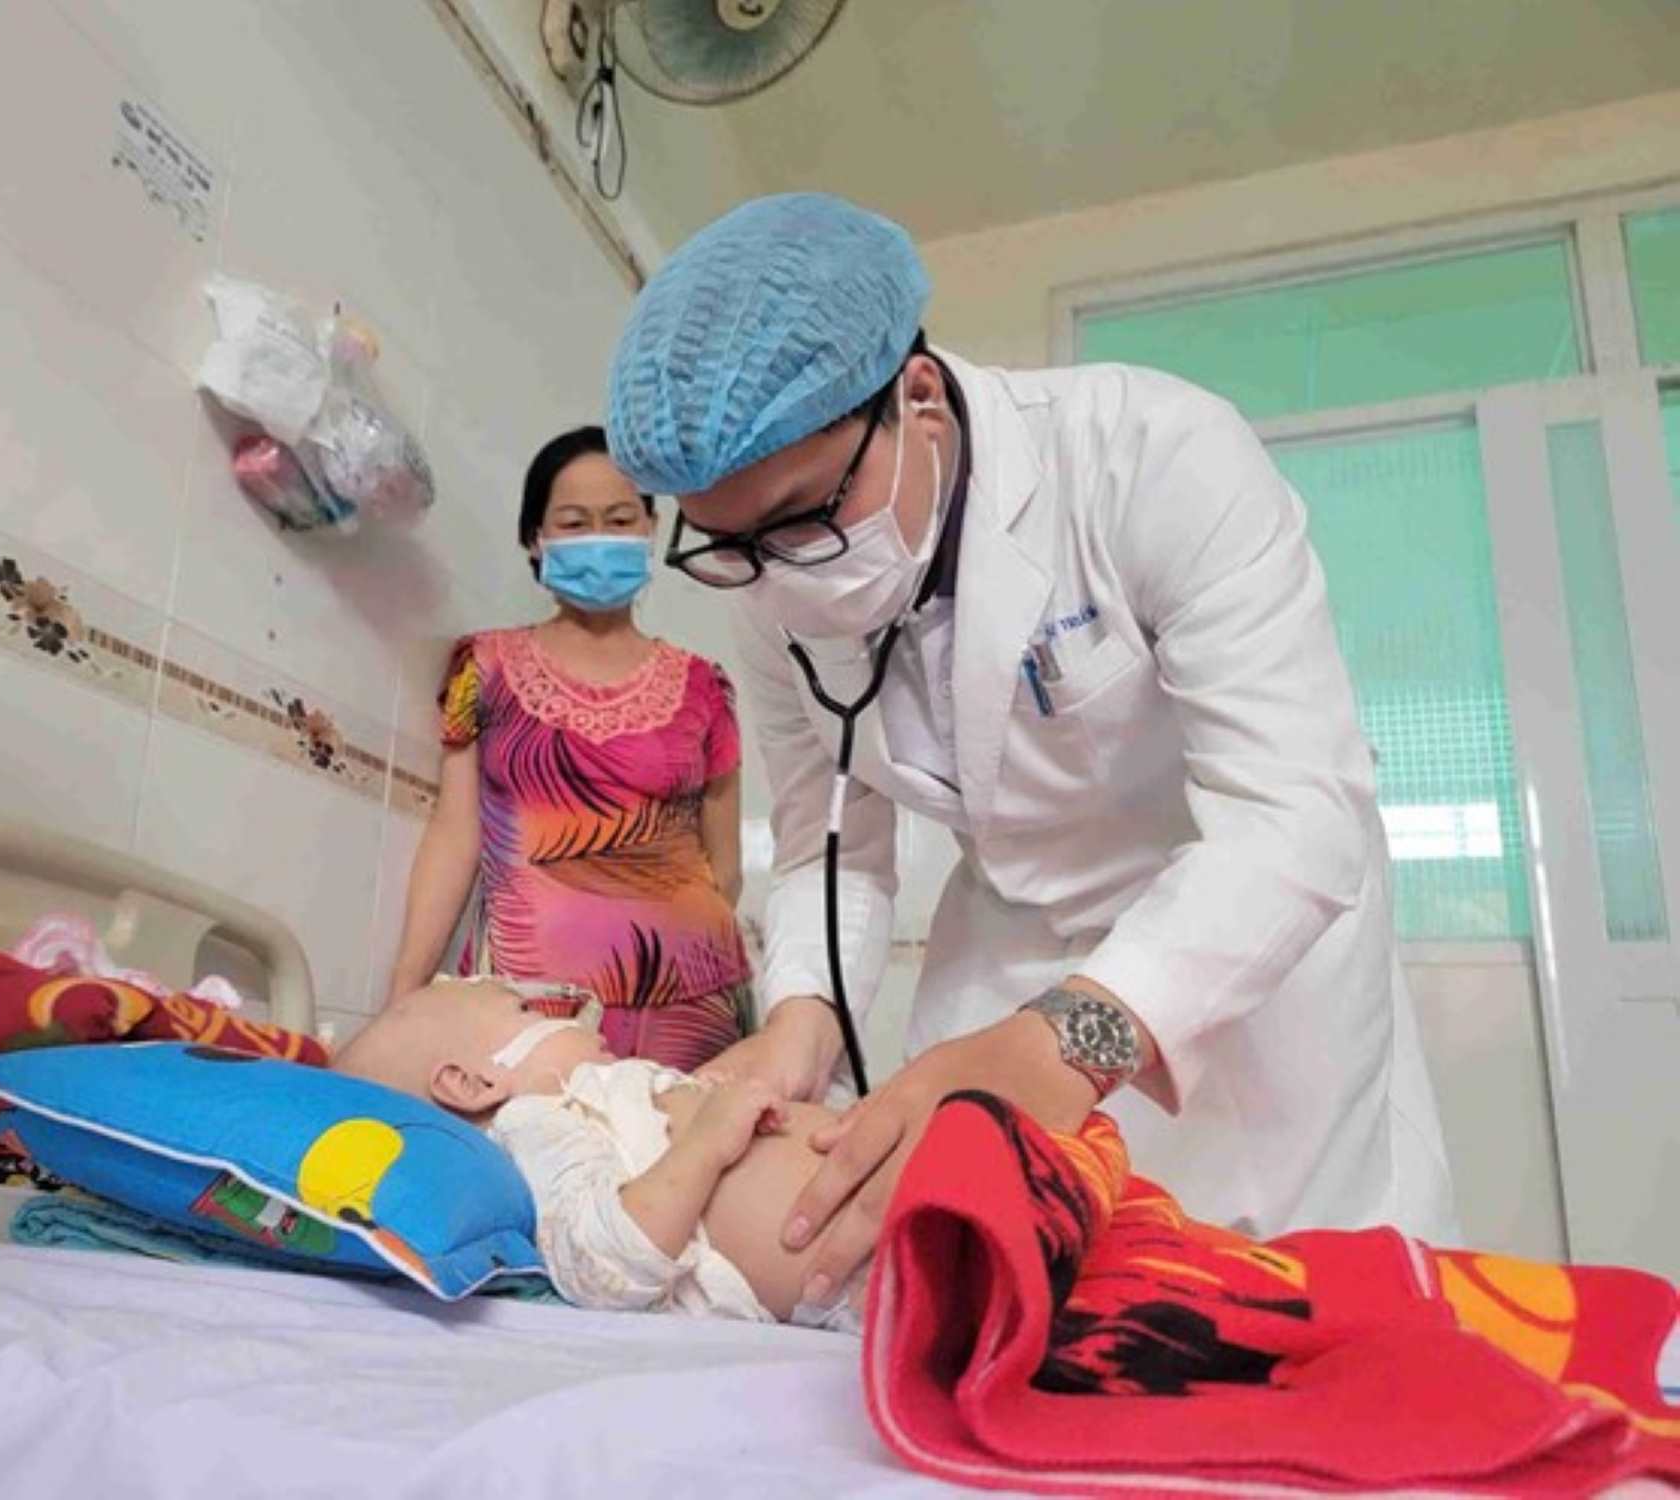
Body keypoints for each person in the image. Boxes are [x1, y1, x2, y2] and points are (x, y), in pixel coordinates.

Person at [603, 192, 1458, 1319]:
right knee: (1007, 1309)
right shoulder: (772, 592)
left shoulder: (1150, 458)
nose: (779, 577)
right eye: (730, 545)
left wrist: (1066, 1039)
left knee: (1281, 1316)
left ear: (916, 397)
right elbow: (828, 843)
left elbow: (1297, 814)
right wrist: (801, 1016)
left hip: (1238, 948)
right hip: (1008, 945)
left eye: (804, 517)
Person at [384, 427, 752, 1072]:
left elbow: (726, 868)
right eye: (575, 523)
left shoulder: (706, 686)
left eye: (620, 519)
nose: (599, 539)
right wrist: (403, 999)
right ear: (536, 539)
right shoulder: (484, 665)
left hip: (692, 1009)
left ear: (651, 528)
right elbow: (454, 835)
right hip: (527, 999)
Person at [339, 974, 864, 1330]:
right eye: (525, 1009)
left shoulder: (594, 1099)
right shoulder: (537, 1122)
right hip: (867, 1263)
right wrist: (707, 1142)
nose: (577, 1018)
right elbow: (600, 1266)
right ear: (472, 1083)